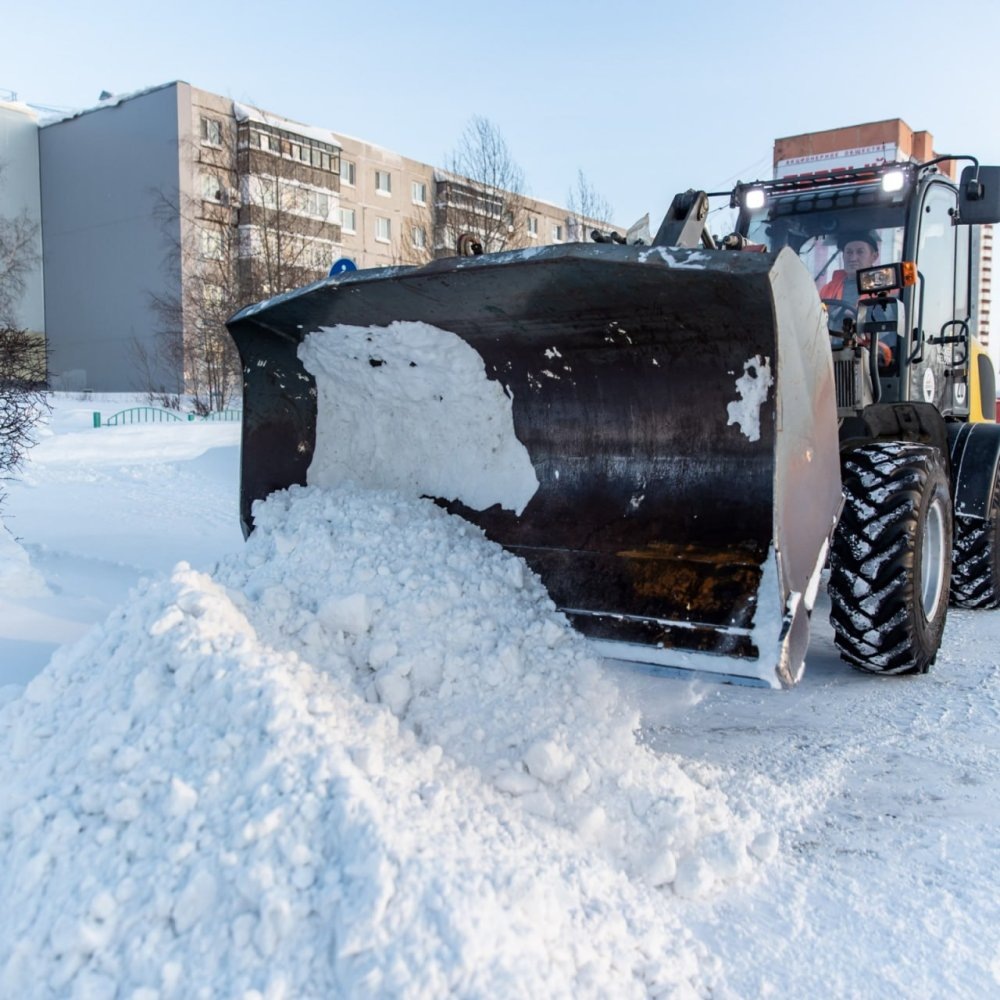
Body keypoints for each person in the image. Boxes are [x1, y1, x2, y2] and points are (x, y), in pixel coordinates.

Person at [819, 231, 880, 301]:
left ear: (874, 257)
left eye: (860, 252)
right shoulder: (827, 289)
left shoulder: (887, 287)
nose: (853, 258)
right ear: (843, 256)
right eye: (849, 252)